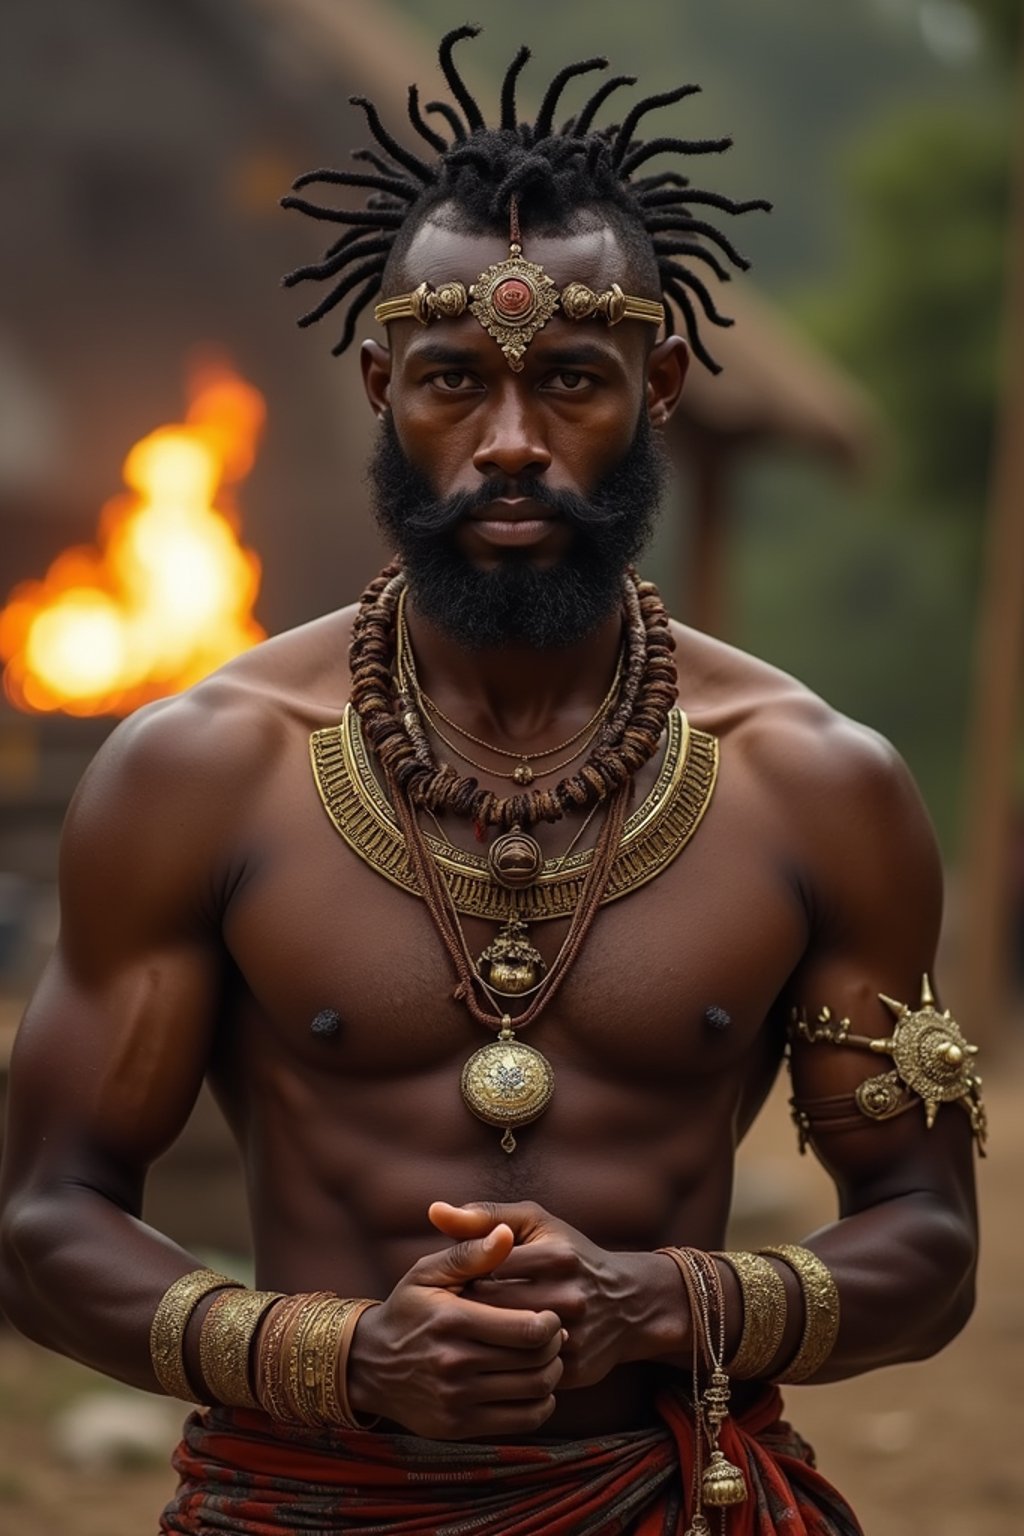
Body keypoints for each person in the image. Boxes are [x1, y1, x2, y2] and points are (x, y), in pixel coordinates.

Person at [0, 27, 983, 1536]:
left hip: (659, 1499)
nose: (511, 442)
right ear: (384, 383)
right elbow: (39, 1220)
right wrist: (338, 1354)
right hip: (308, 1505)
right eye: (454, 380)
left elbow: (927, 1245)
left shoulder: (814, 787)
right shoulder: (202, 770)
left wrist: (658, 1303)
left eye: (571, 381)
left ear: (660, 387)